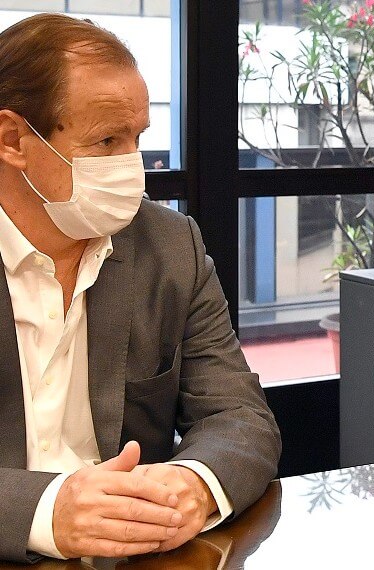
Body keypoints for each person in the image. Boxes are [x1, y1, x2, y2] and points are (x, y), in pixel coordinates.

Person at [0, 13, 280, 562]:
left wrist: (193, 483)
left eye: (137, 138)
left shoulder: (170, 245)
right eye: (106, 140)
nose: (132, 165)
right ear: (13, 139)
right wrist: (44, 510)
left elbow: (239, 416)